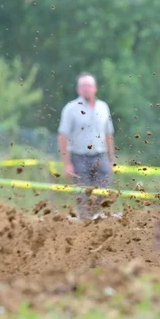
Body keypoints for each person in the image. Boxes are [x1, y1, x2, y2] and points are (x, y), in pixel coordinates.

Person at [58, 72, 115, 219]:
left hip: (100, 155)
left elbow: (109, 134)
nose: (86, 89)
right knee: (81, 194)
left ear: (95, 88)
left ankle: (91, 215)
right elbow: (62, 136)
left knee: (104, 190)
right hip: (79, 157)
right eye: (83, 86)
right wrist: (66, 164)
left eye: (88, 85)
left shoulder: (103, 107)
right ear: (78, 89)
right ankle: (85, 221)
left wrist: (111, 158)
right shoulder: (71, 108)